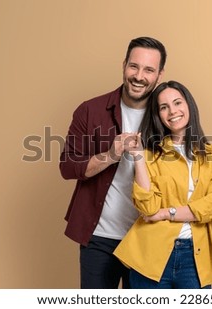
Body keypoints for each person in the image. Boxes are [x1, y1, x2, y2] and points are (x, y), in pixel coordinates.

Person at [59, 37, 166, 289]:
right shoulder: (90, 110)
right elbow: (67, 167)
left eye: (149, 70)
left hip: (147, 238)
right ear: (123, 65)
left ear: (159, 75)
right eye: (134, 66)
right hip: (98, 239)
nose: (139, 76)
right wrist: (110, 155)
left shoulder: (167, 115)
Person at [113, 80, 212, 289]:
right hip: (150, 256)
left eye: (177, 103)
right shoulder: (150, 155)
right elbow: (148, 208)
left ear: (189, 106)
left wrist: (167, 213)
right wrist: (139, 157)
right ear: (158, 115)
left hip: (195, 256)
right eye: (163, 107)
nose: (172, 111)